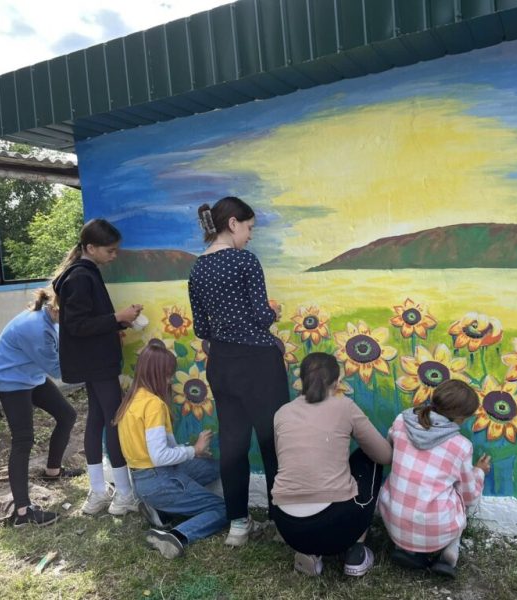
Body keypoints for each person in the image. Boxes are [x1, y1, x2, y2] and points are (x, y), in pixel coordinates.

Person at [188, 196, 290, 546]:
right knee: (271, 441)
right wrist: (272, 312)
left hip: (222, 365)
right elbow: (260, 317)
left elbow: (202, 328)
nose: (249, 236)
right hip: (258, 363)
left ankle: (238, 525)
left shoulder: (197, 268)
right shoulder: (245, 261)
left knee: (233, 444)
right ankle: (281, 521)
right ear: (233, 224)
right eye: (249, 228)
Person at [271, 352, 392, 577]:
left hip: (287, 526)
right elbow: (384, 456)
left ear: (302, 380)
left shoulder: (282, 413)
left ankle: (309, 553)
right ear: (337, 383)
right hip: (336, 526)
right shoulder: (345, 406)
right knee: (369, 459)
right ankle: (356, 550)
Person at [52, 218, 143, 516]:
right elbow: (76, 324)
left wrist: (113, 325)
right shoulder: (81, 277)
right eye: (111, 250)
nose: (114, 256)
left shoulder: (82, 273)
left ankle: (98, 492)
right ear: (91, 248)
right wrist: (117, 316)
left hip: (91, 360)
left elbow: (85, 322)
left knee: (96, 422)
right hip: (98, 363)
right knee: (114, 420)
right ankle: (125, 495)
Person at [114, 338, 227, 558]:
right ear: (157, 374)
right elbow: (160, 455)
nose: (170, 380)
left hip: (143, 480)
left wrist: (194, 452)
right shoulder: (154, 405)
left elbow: (158, 448)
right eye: (168, 375)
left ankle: (161, 512)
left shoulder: (132, 398)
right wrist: (194, 450)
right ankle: (176, 536)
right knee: (223, 509)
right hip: (160, 478)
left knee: (212, 468)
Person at [378, 379, 492, 578]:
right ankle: (450, 552)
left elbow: (390, 452)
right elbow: (470, 496)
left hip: (392, 520)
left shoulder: (401, 421)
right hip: (435, 529)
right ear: (462, 418)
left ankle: (408, 551)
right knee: (458, 496)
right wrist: (479, 471)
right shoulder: (460, 445)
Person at [0, 288, 80, 527]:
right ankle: (22, 513)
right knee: (23, 440)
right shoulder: (36, 328)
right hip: (9, 380)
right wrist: (96, 365)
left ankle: (52, 472)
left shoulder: (51, 317)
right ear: (57, 307)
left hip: (29, 375)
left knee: (67, 415)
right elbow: (61, 371)